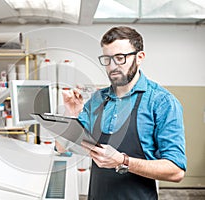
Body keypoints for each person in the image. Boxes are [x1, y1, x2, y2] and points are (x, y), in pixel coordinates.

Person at [59, 26, 187, 200]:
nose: (112, 67)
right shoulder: (97, 99)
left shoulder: (161, 102)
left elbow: (176, 171)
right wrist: (72, 115)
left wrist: (123, 161)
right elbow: (62, 148)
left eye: (120, 58)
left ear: (139, 57)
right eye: (107, 59)